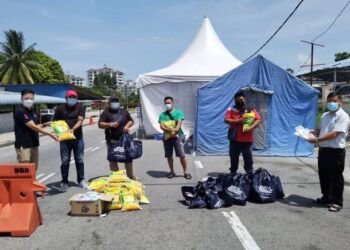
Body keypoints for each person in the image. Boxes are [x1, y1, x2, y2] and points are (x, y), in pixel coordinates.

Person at [308, 92, 350, 212]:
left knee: (336, 177)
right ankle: (327, 197)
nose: (332, 103)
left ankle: (337, 202)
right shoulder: (325, 115)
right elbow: (321, 130)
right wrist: (312, 132)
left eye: (334, 101)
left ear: (341, 102)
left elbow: (335, 133)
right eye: (329, 101)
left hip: (336, 151)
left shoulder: (343, 116)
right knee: (324, 175)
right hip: (323, 150)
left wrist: (316, 139)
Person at [14, 89, 58, 170]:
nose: (29, 100)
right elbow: (32, 126)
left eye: (31, 98)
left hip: (34, 145)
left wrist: (45, 124)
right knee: (25, 171)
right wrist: (50, 134)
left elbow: (36, 126)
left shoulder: (32, 112)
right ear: (21, 99)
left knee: (33, 170)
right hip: (24, 146)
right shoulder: (20, 111)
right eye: (26, 98)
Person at [53, 90, 87, 192]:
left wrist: (73, 129)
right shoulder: (60, 108)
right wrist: (58, 131)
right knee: (65, 161)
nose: (72, 99)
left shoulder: (80, 107)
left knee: (79, 159)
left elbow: (80, 120)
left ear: (76, 98)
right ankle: (64, 181)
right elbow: (55, 122)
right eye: (70, 97)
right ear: (66, 98)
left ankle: (81, 180)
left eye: (74, 97)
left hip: (78, 138)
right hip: (65, 138)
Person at [98, 96, 137, 179]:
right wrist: (110, 124)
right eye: (113, 101)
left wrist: (126, 126)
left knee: (128, 158)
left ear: (119, 102)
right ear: (109, 103)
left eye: (116, 101)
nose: (115, 103)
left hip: (125, 140)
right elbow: (100, 124)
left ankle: (130, 176)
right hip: (112, 140)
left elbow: (131, 121)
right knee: (113, 159)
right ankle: (117, 177)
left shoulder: (124, 111)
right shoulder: (106, 112)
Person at [224, 91, 261, 175]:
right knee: (233, 157)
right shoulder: (231, 109)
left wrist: (251, 128)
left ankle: (249, 173)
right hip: (234, 139)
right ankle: (233, 172)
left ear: (245, 99)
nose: (240, 101)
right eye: (237, 100)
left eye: (241, 99)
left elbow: (258, 119)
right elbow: (226, 120)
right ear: (235, 100)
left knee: (248, 158)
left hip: (247, 140)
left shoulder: (250, 109)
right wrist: (238, 121)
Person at [159, 96, 191, 179]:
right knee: (169, 156)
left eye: (169, 103)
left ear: (173, 103)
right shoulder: (162, 115)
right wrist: (169, 130)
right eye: (166, 103)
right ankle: (172, 171)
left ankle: (185, 172)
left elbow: (179, 123)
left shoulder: (178, 112)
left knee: (182, 155)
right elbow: (161, 126)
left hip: (177, 136)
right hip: (167, 138)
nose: (167, 104)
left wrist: (175, 131)